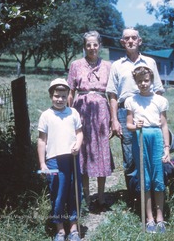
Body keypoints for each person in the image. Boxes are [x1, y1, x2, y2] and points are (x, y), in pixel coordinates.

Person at [106, 27, 165, 189]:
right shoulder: (117, 65)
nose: (130, 41)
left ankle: (153, 192)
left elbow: (158, 90)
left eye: (134, 38)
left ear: (140, 41)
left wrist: (160, 114)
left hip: (148, 110)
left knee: (151, 151)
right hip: (126, 113)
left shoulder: (150, 62)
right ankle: (135, 197)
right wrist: (114, 120)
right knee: (130, 156)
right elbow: (112, 95)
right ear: (122, 42)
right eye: (127, 38)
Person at [67, 31, 113, 211]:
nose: (92, 48)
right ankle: (86, 197)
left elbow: (112, 93)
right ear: (84, 46)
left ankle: (101, 197)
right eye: (88, 45)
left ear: (99, 45)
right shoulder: (76, 65)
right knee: (83, 152)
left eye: (95, 44)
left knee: (101, 152)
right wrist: (70, 115)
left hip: (102, 112)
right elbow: (70, 91)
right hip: (82, 111)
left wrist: (112, 120)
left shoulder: (108, 66)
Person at [125, 66, 170, 234]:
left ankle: (160, 218)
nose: (143, 84)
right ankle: (149, 218)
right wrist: (134, 125)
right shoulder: (131, 100)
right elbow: (129, 124)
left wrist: (166, 148)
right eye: (140, 81)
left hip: (156, 137)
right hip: (140, 137)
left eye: (146, 80)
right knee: (145, 178)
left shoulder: (160, 100)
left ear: (151, 81)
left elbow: (164, 125)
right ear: (136, 83)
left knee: (158, 177)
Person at [37, 78, 83, 241]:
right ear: (51, 96)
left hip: (71, 158)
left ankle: (73, 227)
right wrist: (42, 163)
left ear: (68, 96)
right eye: (57, 96)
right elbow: (42, 140)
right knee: (57, 193)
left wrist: (78, 145)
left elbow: (79, 133)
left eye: (63, 96)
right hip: (54, 161)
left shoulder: (73, 113)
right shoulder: (46, 115)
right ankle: (60, 229)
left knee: (74, 192)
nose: (60, 99)